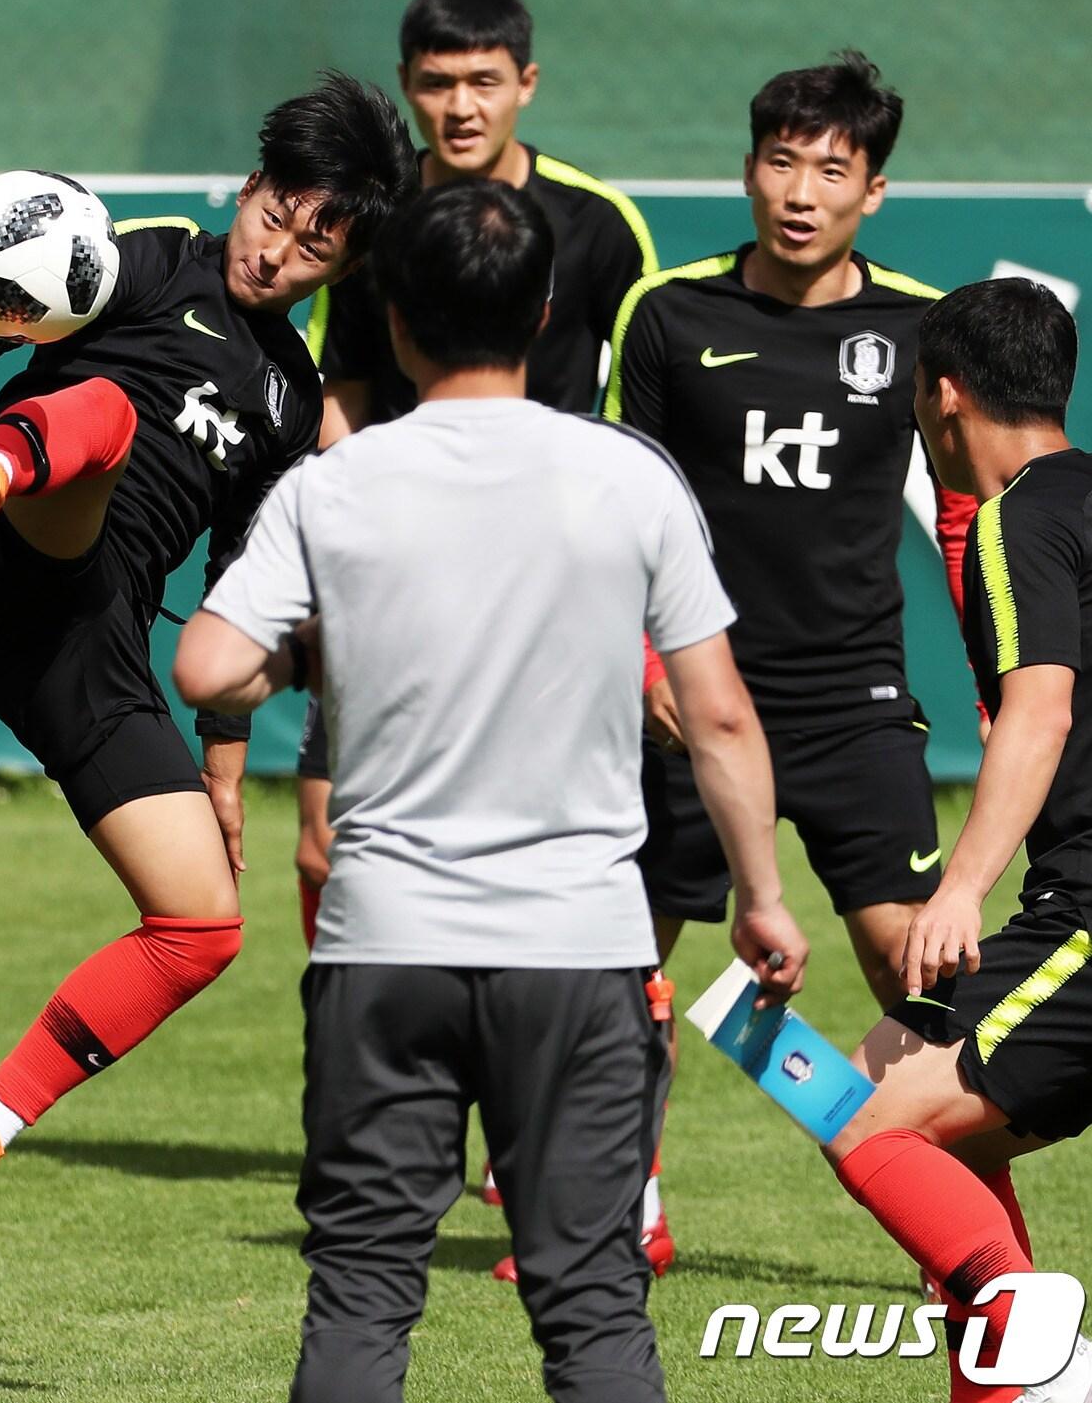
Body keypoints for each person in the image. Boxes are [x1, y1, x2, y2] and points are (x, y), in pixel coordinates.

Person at [0, 73, 417, 1296]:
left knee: (200, 925)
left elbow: (245, 583)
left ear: (342, 267)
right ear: (248, 187)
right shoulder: (159, 261)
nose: (278, 251)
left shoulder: (289, 400)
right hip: (12, 543)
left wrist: (224, 772)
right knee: (110, 413)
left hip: (85, 642)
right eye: (276, 213)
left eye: (314, 245)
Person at [173, 179, 808, 1403]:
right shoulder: (628, 477)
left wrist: (308, 651)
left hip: (383, 948)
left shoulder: (333, 485)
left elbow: (209, 665)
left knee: (361, 1292)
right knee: (591, 1304)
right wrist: (761, 896)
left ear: (396, 318)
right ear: (548, 313)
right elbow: (719, 713)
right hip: (576, 948)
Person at [608, 50, 979, 1263]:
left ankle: (968, 1237)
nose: (801, 189)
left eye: (833, 168)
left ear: (872, 191)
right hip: (691, 698)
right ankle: (627, 1211)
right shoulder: (667, 312)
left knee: (912, 962)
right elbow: (616, 509)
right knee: (627, 962)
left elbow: (971, 514)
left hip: (852, 703)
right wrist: (646, 666)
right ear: (749, 167)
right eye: (781, 160)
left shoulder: (924, 328)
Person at [294, 0, 657, 954]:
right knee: (326, 850)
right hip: (402, 573)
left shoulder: (598, 226)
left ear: (525, 82)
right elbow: (344, 391)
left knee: (552, 850)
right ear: (405, 84)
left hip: (552, 586)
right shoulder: (372, 223)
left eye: (484, 81)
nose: (461, 107)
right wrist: (340, 546)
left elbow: (640, 408)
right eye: (437, 81)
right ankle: (361, 1064)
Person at [825, 277, 1092, 1403]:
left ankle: (1040, 1372)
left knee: (865, 1118)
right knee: (954, 1132)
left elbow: (1037, 708)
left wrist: (960, 888)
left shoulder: (1014, 516)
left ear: (942, 396)